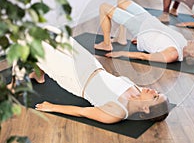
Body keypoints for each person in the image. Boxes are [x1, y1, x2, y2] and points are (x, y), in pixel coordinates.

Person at [19, 26, 170, 124]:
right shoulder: (138, 90)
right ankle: (38, 74)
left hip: (76, 79)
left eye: (155, 97)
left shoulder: (117, 112)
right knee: (56, 35)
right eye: (158, 92)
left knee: (36, 45)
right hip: (92, 65)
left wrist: (52, 107)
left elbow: (81, 112)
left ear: (145, 109)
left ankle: (18, 81)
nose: (154, 91)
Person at [94, 0, 194, 65]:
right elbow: (162, 36)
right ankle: (121, 38)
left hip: (140, 27)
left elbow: (144, 56)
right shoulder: (184, 43)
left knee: (103, 7)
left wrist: (120, 54)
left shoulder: (171, 55)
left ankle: (106, 44)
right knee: (121, 1)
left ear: (193, 54)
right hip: (148, 20)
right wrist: (143, 42)